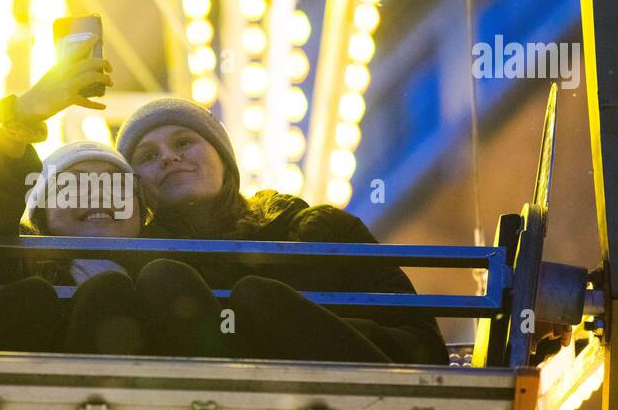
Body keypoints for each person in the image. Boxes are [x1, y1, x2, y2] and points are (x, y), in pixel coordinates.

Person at [111, 97, 450, 365]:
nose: (169, 157)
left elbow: (421, 342)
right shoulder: (144, 273)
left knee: (256, 296)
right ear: (136, 186)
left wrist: (292, 326)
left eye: (183, 142)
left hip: (356, 406)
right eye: (148, 155)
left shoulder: (322, 230)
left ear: (223, 157)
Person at [0, 38, 152, 355]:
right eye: (74, 185)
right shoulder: (13, 274)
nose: (97, 194)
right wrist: (21, 118)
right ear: (41, 214)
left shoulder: (164, 284)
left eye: (117, 184)